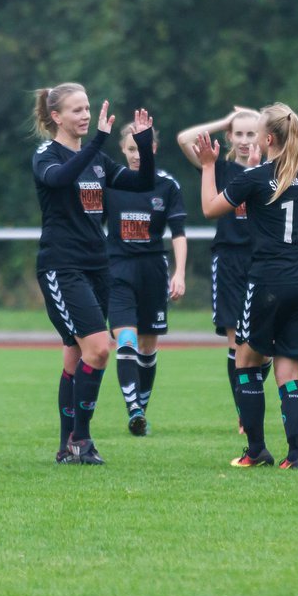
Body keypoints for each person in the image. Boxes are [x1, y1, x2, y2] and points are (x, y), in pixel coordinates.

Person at [33, 83, 155, 465]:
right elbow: (59, 179)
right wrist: (98, 141)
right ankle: (81, 441)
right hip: (61, 266)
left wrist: (145, 145)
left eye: (87, 108)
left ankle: (66, 445)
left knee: (76, 355)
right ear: (56, 117)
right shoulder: (46, 154)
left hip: (97, 266)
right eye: (77, 110)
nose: (85, 115)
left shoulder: (98, 160)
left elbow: (142, 182)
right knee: (101, 348)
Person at [194, 103, 298, 469]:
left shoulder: (256, 177)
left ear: (267, 139)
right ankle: (296, 456)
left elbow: (210, 209)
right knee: (289, 373)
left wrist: (207, 167)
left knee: (246, 362)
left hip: (268, 282)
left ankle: (256, 451)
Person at [105, 123, 187, 435]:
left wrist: (178, 272)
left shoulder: (166, 185)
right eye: (130, 150)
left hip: (153, 271)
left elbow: (178, 232)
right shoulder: (111, 184)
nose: (136, 155)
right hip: (119, 270)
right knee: (125, 340)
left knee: (148, 346)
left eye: (141, 149)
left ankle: (141, 408)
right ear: (122, 152)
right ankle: (134, 409)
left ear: (152, 149)